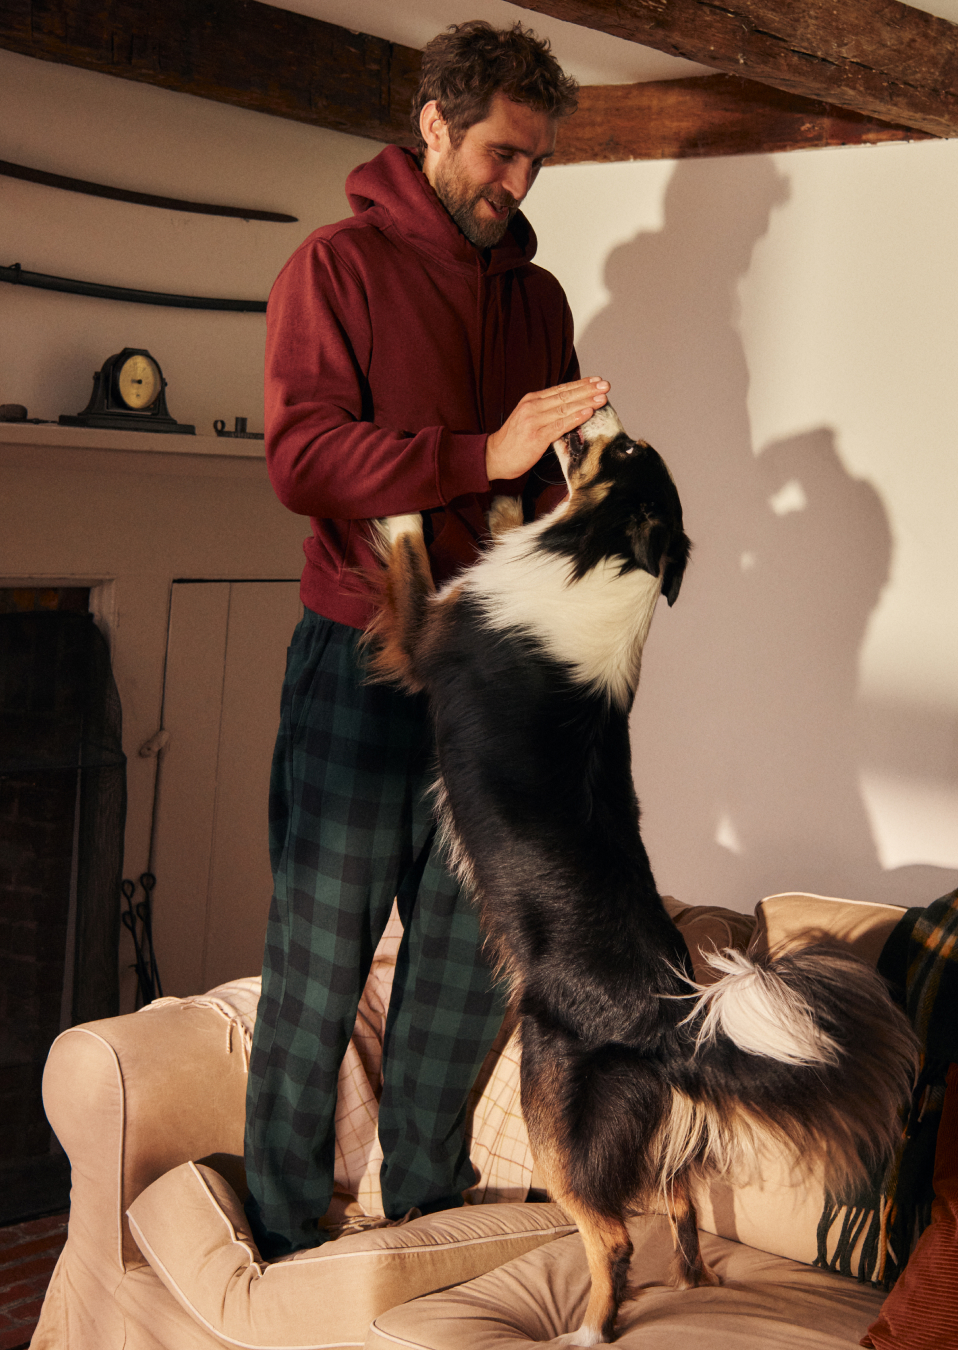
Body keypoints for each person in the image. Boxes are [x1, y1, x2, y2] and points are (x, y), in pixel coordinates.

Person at [244, 20, 610, 1259]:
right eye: (503, 154)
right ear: (436, 127)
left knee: (459, 983)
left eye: (537, 165)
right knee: (316, 977)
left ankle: (425, 1231)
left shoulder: (541, 299)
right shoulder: (334, 269)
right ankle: (287, 1252)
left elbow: (539, 499)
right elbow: (301, 459)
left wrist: (582, 504)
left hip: (494, 687)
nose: (518, 184)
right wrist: (480, 454)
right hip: (360, 668)